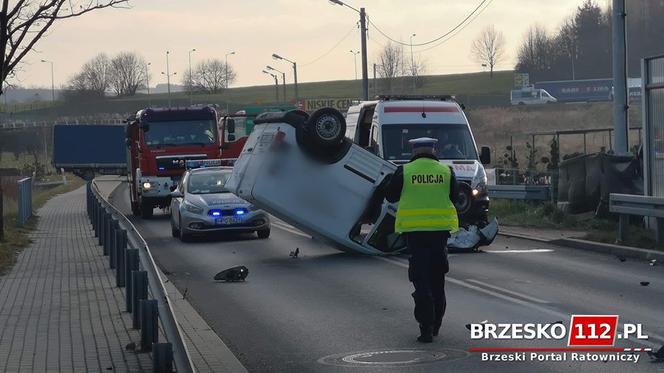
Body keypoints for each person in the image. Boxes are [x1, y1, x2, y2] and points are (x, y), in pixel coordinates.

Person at [385, 137, 459, 343]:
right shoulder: (446, 172)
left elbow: (390, 196)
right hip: (439, 233)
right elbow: (454, 197)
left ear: (413, 151)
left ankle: (426, 327)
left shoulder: (405, 172)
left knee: (421, 281)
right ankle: (437, 324)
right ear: (434, 150)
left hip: (415, 234)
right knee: (437, 280)